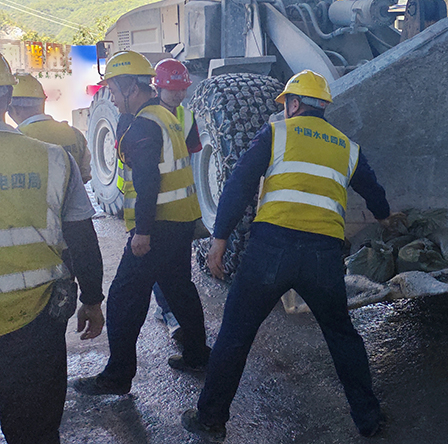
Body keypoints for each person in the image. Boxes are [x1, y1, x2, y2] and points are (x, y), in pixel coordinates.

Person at [181, 70, 390, 440]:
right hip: (323, 256)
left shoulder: (276, 133)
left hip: (270, 250)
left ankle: (210, 419)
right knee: (342, 336)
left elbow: (240, 184)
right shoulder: (346, 147)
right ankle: (369, 419)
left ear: (293, 104)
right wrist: (386, 218)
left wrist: (220, 238)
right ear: (322, 107)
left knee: (235, 334)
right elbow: (372, 189)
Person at [75, 51, 209, 396]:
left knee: (123, 298)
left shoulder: (143, 125)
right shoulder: (163, 115)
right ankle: (198, 355)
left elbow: (148, 181)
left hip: (157, 226)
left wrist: (143, 233)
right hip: (179, 220)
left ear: (130, 88)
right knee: (179, 288)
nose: (112, 99)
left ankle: (118, 376)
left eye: (113, 91)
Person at [0, 53, 105, 444]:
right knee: (35, 432)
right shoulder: (55, 160)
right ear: (7, 98)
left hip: (37, 321)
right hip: (35, 323)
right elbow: (82, 239)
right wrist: (92, 300)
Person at [150, 58, 201, 342]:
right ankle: (169, 312)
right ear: (158, 88)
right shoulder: (148, 117)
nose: (179, 95)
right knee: (159, 266)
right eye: (174, 90)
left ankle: (174, 312)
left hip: (180, 205)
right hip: (154, 204)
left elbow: (191, 157)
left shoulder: (187, 116)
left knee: (179, 268)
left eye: (182, 89)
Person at [8, 73, 92, 183]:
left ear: (14, 109)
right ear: (43, 102)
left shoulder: (14, 140)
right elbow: (84, 176)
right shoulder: (75, 135)